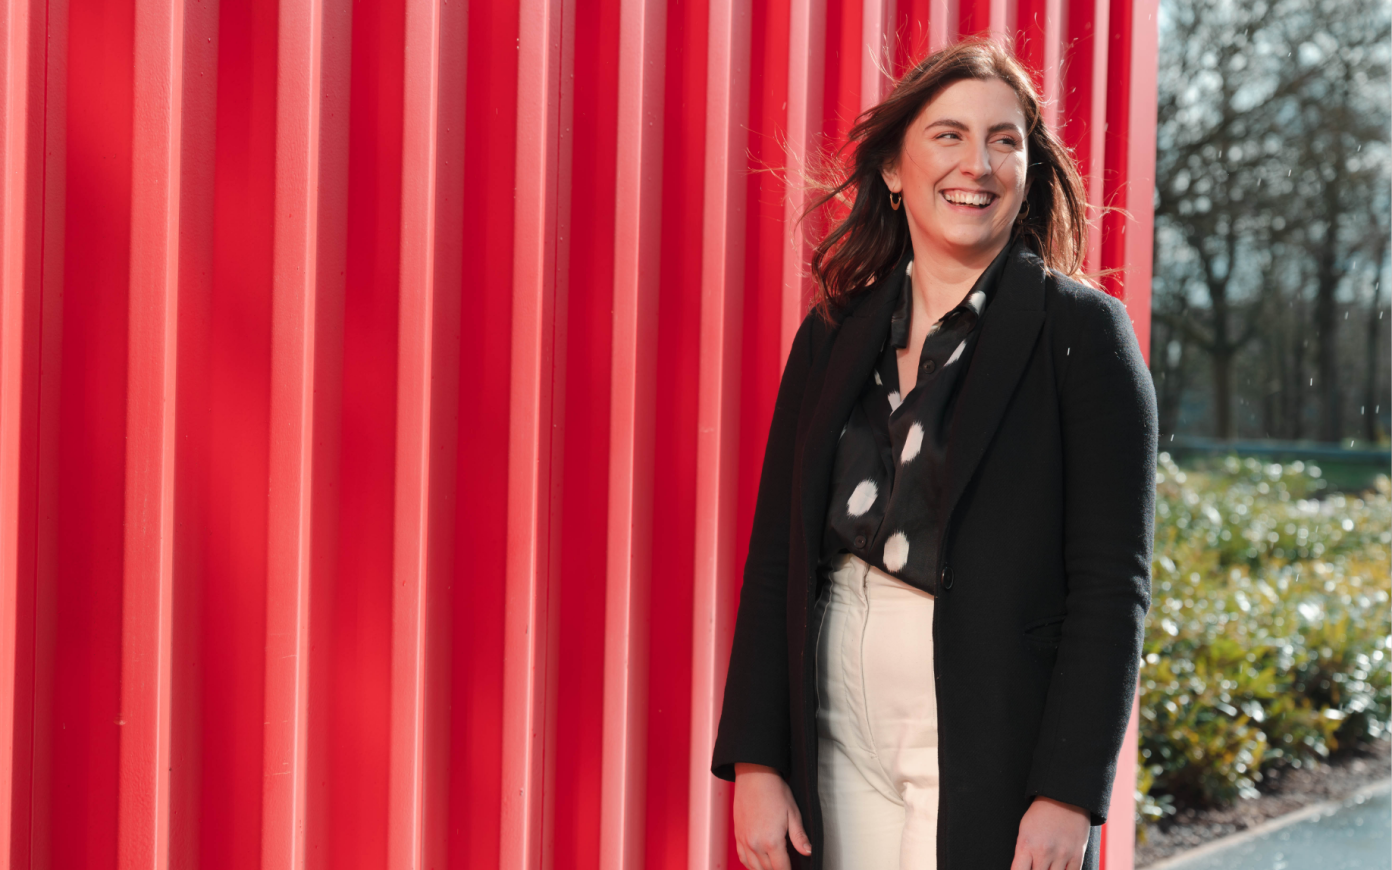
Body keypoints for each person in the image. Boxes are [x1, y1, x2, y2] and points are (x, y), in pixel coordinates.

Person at [710, 37, 1157, 870]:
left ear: (1027, 169)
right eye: (948, 135)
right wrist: (758, 760)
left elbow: (1111, 585)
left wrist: (1068, 793)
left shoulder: (1083, 335)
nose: (976, 164)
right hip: (833, 723)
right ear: (893, 168)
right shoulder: (833, 334)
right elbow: (777, 557)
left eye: (1003, 140)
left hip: (983, 732)